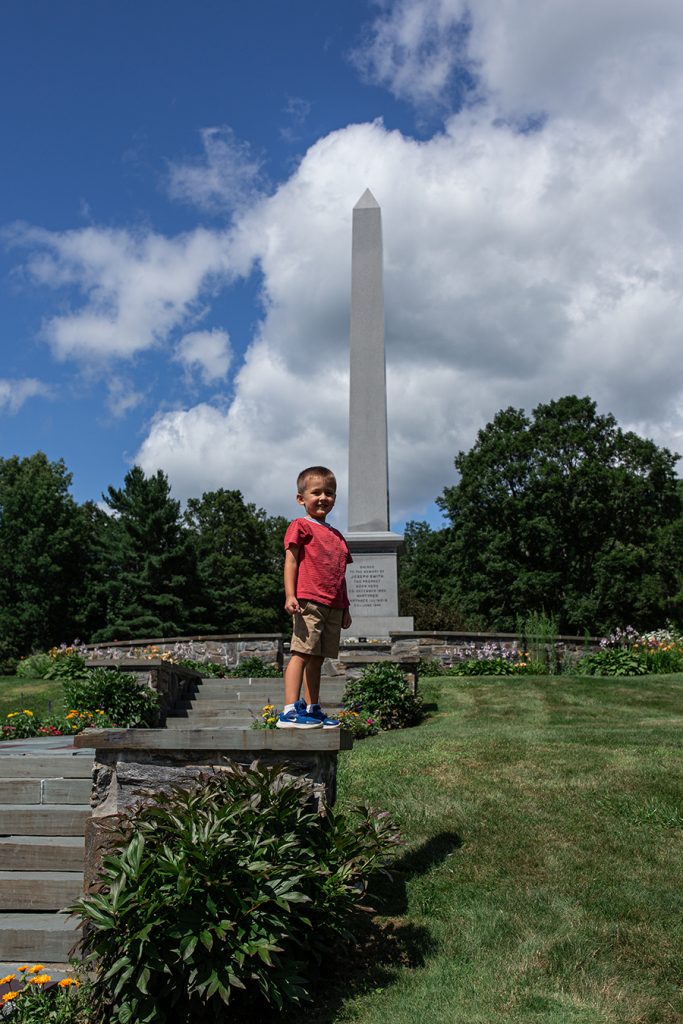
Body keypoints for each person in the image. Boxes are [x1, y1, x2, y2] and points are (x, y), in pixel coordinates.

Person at [277, 466, 352, 729]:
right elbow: (291, 561)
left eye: (329, 493)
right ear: (301, 499)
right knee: (301, 652)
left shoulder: (337, 536)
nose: (323, 498)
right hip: (308, 600)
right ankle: (289, 710)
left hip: (333, 605)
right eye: (316, 492)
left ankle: (312, 707)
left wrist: (345, 607)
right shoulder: (300, 526)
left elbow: (339, 574)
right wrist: (290, 594)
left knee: (318, 658)